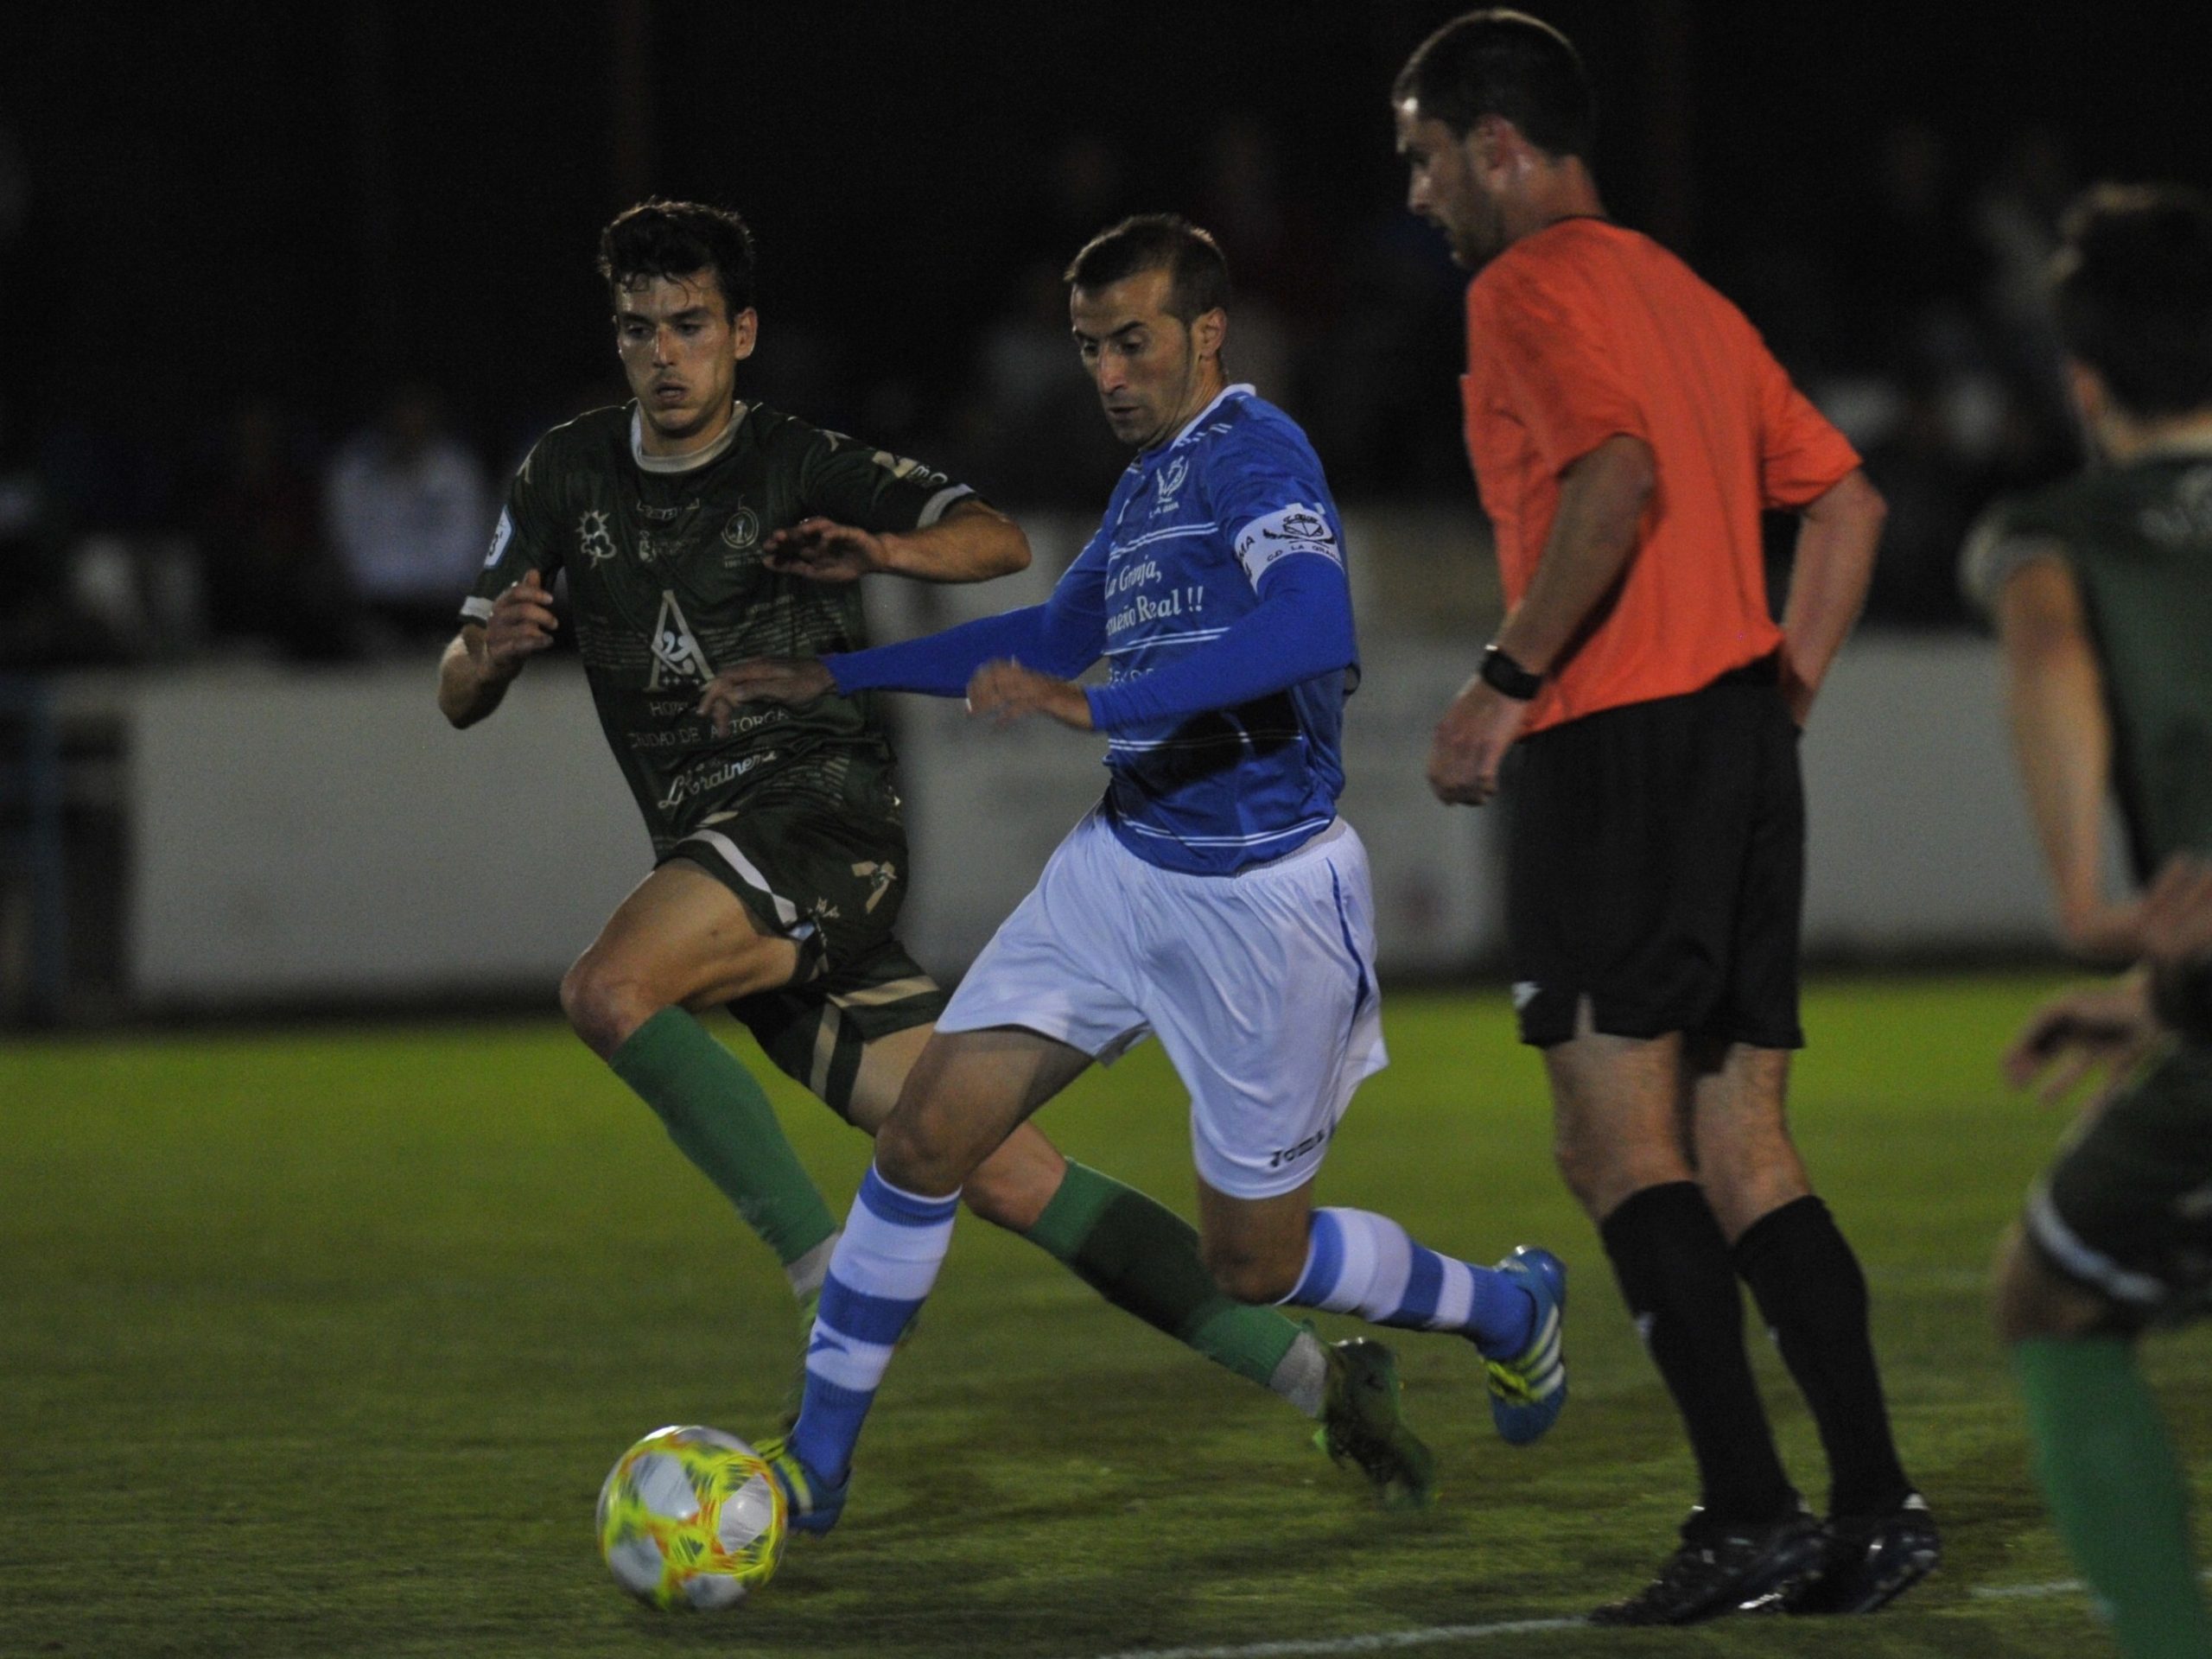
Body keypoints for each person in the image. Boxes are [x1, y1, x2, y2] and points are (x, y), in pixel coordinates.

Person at [436, 199, 1433, 1510]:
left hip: (818, 818)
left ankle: (819, 1281)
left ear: (740, 334)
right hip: (720, 856)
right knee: (998, 1171)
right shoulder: (564, 473)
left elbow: (1000, 544)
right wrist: (490, 655)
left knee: (609, 988)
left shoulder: (800, 458)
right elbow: (456, 688)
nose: (665, 355)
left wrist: (893, 559)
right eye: (638, 331)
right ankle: (1316, 1380)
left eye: (690, 327)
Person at [711, 213, 1569, 1535]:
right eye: (1087, 348)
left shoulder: (1254, 452)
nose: (1108, 373)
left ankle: (1508, 1306)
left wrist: (1107, 708)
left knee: (1254, 1262)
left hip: (1264, 901)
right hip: (1122, 865)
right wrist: (840, 670)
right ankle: (816, 1467)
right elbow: (1058, 629)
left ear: (1205, 333)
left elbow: (1311, 624)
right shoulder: (1150, 483)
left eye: (1132, 342)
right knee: (928, 1131)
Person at [1392, 10, 1933, 1624]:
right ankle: (1876, 1509)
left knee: (1612, 1139)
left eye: (1425, 161)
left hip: (1615, 747)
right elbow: (1848, 499)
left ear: (1499, 145)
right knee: (1744, 1141)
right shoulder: (1684, 293)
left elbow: (1612, 482)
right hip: (1737, 745)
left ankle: (1750, 1514)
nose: (1417, 198)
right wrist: (1787, 697)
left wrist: (1504, 678)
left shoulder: (1527, 286)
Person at [1963, 183, 2212, 1659]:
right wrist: (2161, 1007)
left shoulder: (2061, 532)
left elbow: (2049, 637)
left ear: (2085, 378)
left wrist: (2087, 907)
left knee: (2050, 1298)